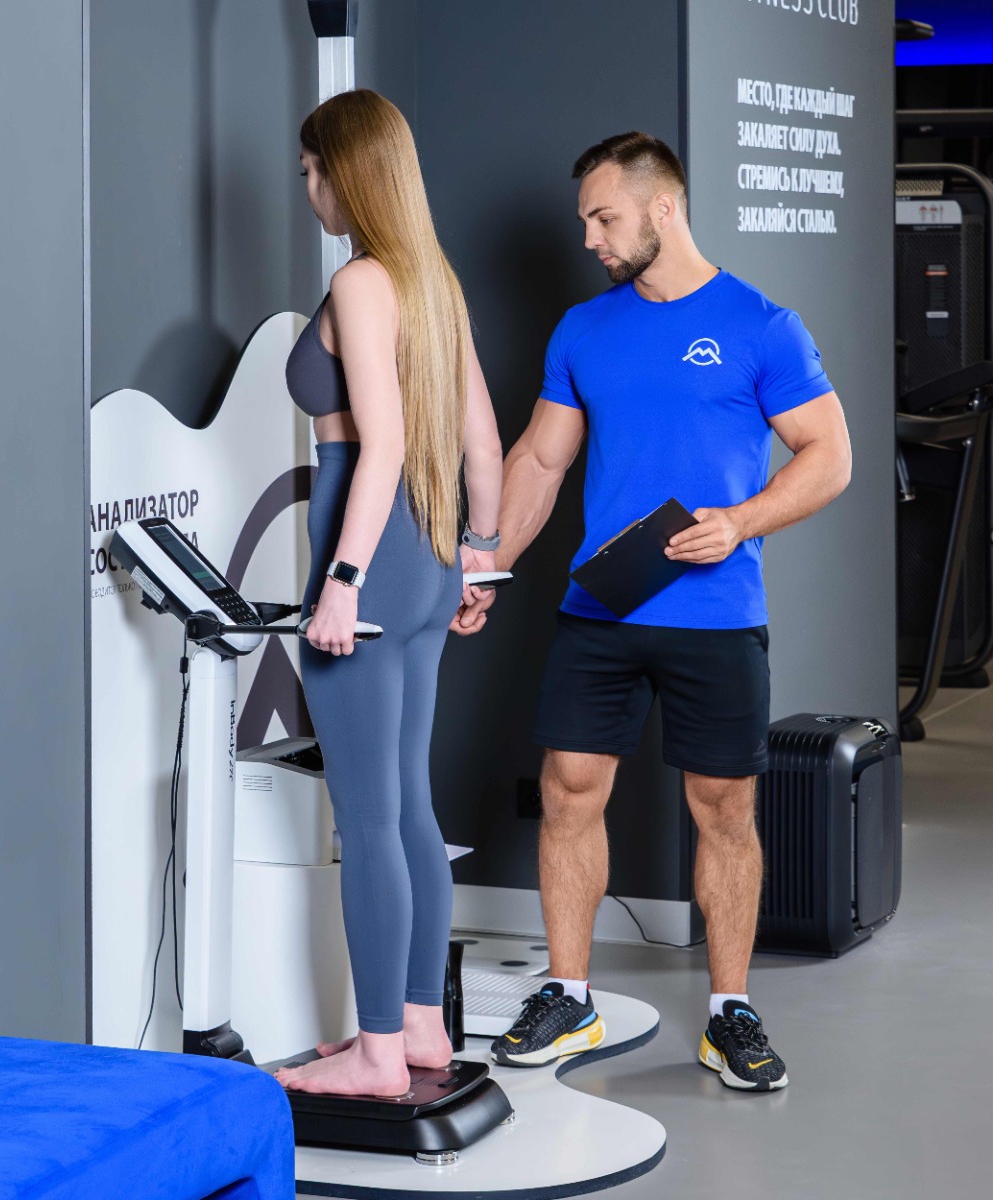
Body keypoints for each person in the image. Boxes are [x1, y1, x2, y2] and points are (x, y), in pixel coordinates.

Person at [458, 131, 851, 1091]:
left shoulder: (762, 325)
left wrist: (741, 522)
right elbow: (540, 461)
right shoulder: (583, 331)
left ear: (662, 209)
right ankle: (570, 995)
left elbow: (830, 456)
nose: (590, 238)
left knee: (725, 810)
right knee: (568, 791)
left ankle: (729, 1012)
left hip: (717, 613)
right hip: (601, 608)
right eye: (585, 221)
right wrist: (487, 567)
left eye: (604, 218)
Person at [275, 89, 503, 1098]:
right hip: (432, 554)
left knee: (366, 818)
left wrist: (342, 581)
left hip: (369, 552)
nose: (307, 188)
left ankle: (373, 1057)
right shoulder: (433, 281)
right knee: (409, 802)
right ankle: (418, 1028)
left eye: (310, 170)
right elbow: (482, 444)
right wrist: (479, 557)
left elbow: (387, 447)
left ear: (346, 173)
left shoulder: (363, 282)